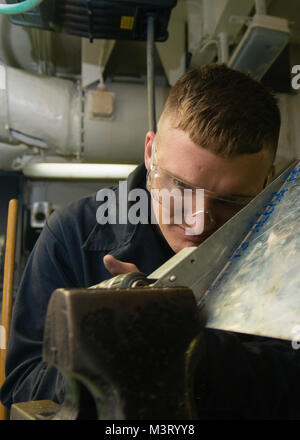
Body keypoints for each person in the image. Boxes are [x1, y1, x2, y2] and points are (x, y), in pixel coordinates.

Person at [1, 63, 300, 419]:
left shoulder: (286, 256)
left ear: (266, 181)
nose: (197, 222)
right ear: (150, 152)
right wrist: (95, 345)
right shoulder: (72, 236)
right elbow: (22, 383)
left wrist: (188, 348)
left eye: (230, 202)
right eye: (181, 188)